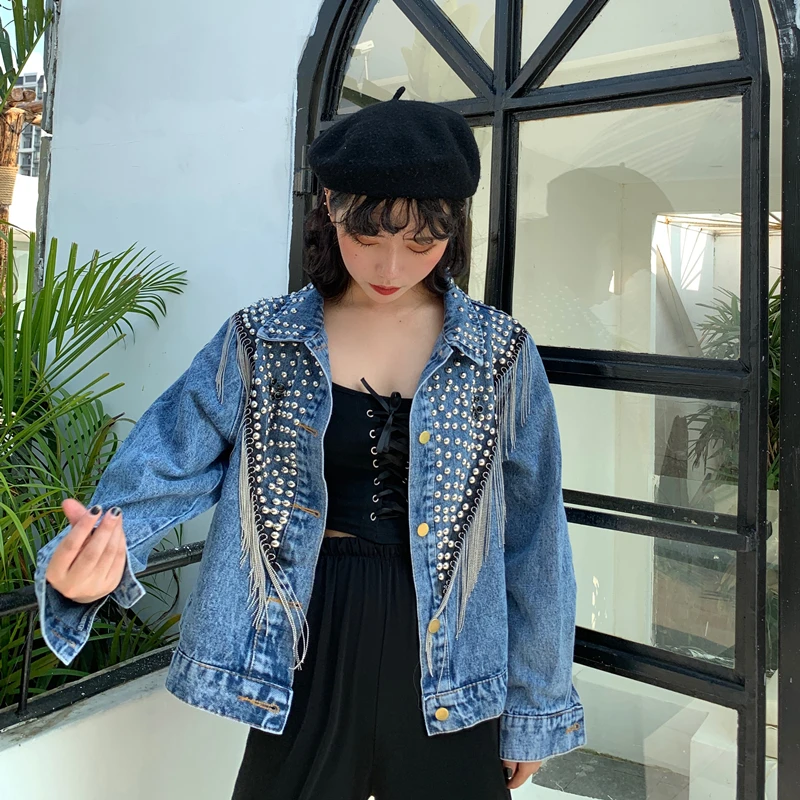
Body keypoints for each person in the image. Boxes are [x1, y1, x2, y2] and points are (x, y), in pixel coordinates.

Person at [34, 87, 586, 800]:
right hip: (304, 642)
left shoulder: (500, 355)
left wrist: (535, 710)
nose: (391, 267)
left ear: (455, 229)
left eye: (421, 242)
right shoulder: (262, 342)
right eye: (369, 237)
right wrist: (89, 567)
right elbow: (164, 463)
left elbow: (537, 541)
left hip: (453, 660)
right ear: (330, 206)